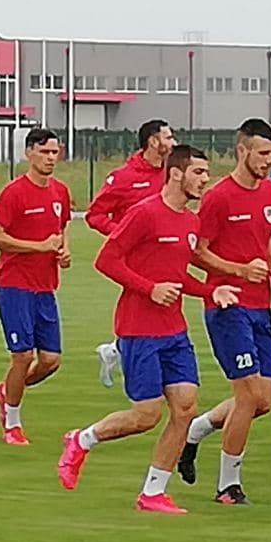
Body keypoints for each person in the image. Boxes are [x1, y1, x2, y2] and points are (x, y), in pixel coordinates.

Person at [56, 146, 239, 514]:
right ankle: (82, 439)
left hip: (175, 330)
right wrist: (149, 288)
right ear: (176, 173)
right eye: (199, 172)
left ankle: (153, 492)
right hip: (139, 329)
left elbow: (176, 273)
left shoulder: (190, 222)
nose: (206, 180)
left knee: (185, 409)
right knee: (146, 416)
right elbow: (106, 260)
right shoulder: (144, 214)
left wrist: (209, 290)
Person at [181, 119, 271, 506]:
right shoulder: (218, 197)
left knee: (264, 400)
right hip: (227, 306)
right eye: (262, 153)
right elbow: (197, 251)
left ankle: (194, 431)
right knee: (246, 397)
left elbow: (267, 238)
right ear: (242, 151)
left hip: (261, 304)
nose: (269, 161)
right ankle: (228, 486)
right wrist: (239, 271)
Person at [0, 127, 73, 446]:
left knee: (51, 360)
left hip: (45, 286)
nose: (51, 158)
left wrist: (63, 251)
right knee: (21, 357)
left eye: (55, 152)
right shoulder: (15, 192)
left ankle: (6, 390)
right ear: (29, 153)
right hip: (14, 286)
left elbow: (62, 230)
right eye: (45, 152)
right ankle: (13, 423)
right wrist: (39, 246)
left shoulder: (60, 191)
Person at [86, 118, 175, 387]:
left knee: (163, 305)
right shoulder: (124, 177)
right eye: (168, 137)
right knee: (148, 302)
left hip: (165, 253)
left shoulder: (173, 173)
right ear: (153, 141)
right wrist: (122, 234)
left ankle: (115, 350)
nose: (173, 143)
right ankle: (129, 355)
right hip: (134, 258)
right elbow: (95, 214)